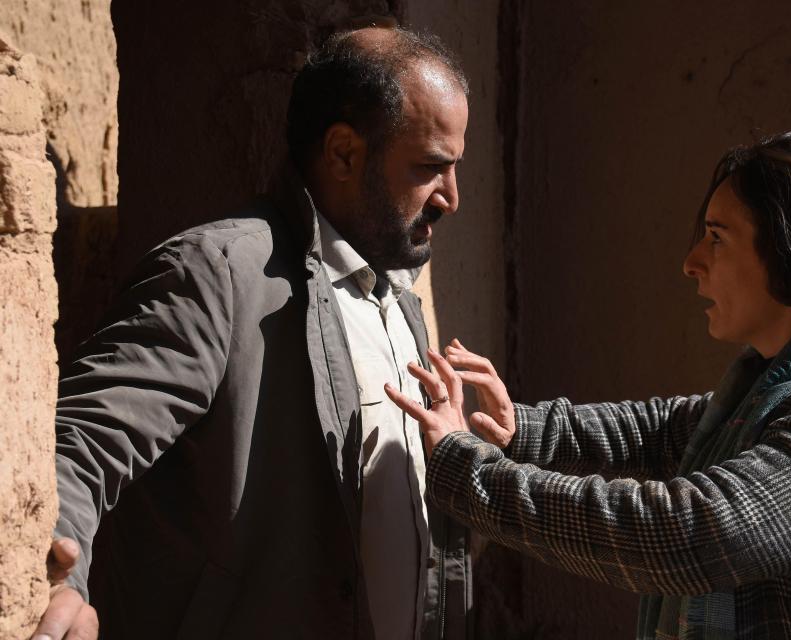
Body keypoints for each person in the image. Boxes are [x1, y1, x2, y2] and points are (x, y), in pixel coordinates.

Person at [388, 132, 791, 639]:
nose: (691, 262)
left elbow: (685, 535)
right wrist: (525, 428)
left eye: (717, 238)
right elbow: (671, 427)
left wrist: (471, 474)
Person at [33, 24, 472, 640]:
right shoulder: (219, 275)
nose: (451, 197)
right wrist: (58, 585)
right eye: (431, 167)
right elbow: (77, 444)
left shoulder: (396, 295)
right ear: (344, 153)